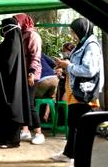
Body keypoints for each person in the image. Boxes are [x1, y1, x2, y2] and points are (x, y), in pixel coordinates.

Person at [52, 18, 104, 163]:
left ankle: (79, 157)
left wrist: (67, 65)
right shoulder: (83, 44)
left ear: (81, 30)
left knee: (79, 125)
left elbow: (89, 70)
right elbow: (76, 66)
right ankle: (69, 153)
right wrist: (64, 67)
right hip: (76, 91)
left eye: (74, 32)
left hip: (84, 92)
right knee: (74, 123)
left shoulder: (91, 46)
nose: (72, 35)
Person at [0, 18, 31, 148]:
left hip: (6, 86)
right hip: (12, 85)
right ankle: (9, 140)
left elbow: (5, 65)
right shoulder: (14, 42)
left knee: (5, 112)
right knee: (10, 111)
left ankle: (8, 141)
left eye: (3, 28)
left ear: (7, 28)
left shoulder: (10, 44)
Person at [13, 13, 45, 145]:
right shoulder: (22, 34)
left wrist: (31, 73)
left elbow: (35, 56)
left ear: (23, 21)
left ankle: (39, 133)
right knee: (23, 104)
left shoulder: (33, 35)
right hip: (24, 73)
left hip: (31, 75)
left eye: (17, 21)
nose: (16, 24)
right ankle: (25, 131)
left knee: (30, 105)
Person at [34, 54, 59, 122]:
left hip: (43, 80)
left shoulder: (28, 55)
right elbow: (53, 63)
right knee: (52, 98)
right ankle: (46, 115)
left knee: (30, 98)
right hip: (54, 78)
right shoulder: (40, 54)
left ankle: (34, 121)